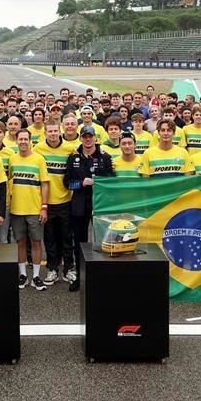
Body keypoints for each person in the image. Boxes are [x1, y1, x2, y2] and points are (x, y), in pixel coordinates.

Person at [64, 124, 115, 292]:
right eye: (84, 136)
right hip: (79, 205)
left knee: (103, 241)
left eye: (90, 136)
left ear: (95, 138)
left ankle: (102, 276)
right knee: (79, 242)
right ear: (81, 138)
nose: (87, 139)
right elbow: (67, 183)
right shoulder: (73, 157)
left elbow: (111, 180)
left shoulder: (104, 157)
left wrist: (98, 182)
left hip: (99, 205)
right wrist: (81, 183)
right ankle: (80, 276)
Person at [34, 119, 78, 286]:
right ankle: (52, 269)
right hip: (46, 202)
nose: (52, 134)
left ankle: (68, 269)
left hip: (65, 200)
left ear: (60, 131)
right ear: (45, 133)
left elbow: (75, 172)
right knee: (50, 238)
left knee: (67, 237)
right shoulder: (38, 149)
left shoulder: (69, 149)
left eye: (55, 131)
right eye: (49, 131)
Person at [8, 129, 50, 290]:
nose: (23, 142)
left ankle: (37, 276)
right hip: (16, 209)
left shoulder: (39, 159)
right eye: (20, 139)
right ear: (16, 141)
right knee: (20, 242)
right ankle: (23, 275)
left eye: (26, 139)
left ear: (30, 141)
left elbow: (45, 184)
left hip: (34, 208)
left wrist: (44, 207)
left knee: (36, 242)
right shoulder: (12, 159)